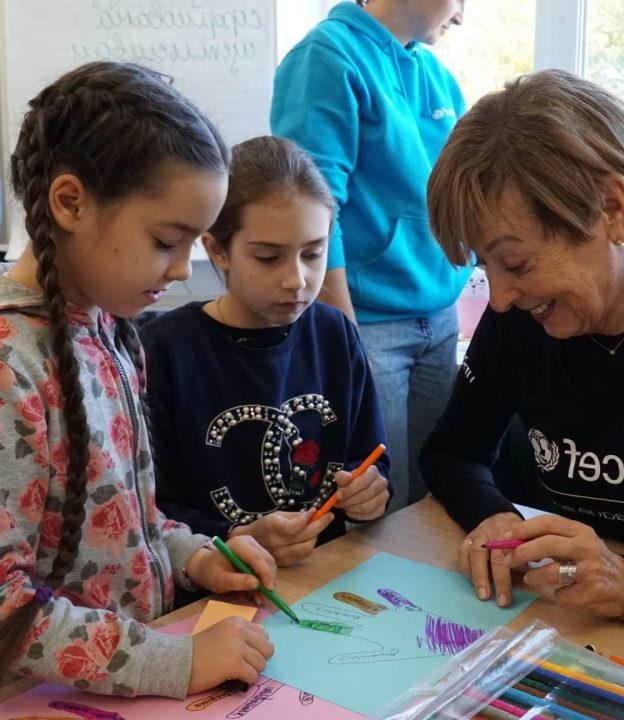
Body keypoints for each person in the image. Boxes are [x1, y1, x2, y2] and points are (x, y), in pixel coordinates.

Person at [0, 61, 276, 697]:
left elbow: (119, 518)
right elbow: (6, 606)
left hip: (123, 689)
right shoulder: (13, 367)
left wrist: (197, 556)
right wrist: (175, 662)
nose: (182, 270)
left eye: (195, 245)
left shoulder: (112, 329)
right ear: (70, 202)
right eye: (165, 240)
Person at [420, 68, 624, 622]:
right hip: (566, 621)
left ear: (611, 208)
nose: (503, 298)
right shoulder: (519, 323)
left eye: (516, 264)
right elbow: (451, 452)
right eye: (486, 267)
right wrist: (495, 516)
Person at [139, 136, 390, 568]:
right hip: (215, 590)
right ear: (217, 248)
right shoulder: (165, 350)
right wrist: (235, 538)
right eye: (269, 257)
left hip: (324, 578)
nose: (297, 279)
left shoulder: (335, 335)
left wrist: (371, 491)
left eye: (313, 254)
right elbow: (153, 512)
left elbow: (371, 458)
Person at [270, 0, 471, 513]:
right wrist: (344, 341)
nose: (464, 15)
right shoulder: (327, 57)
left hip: (440, 316)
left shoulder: (436, 75)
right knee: (380, 500)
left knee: (438, 491)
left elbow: (464, 194)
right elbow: (314, 210)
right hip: (371, 326)